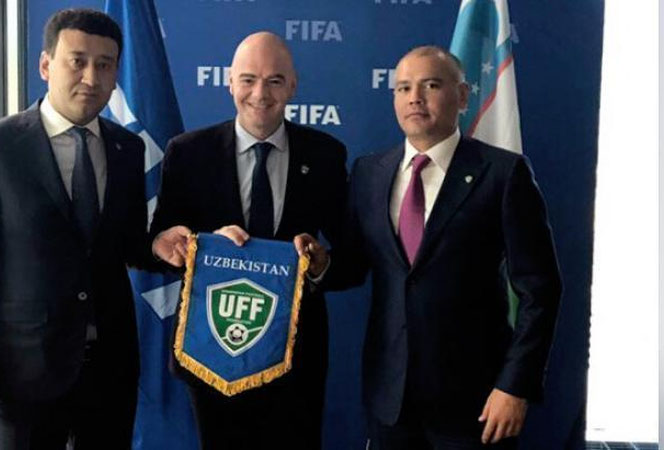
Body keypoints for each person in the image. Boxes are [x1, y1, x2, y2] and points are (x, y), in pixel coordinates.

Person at [0, 8, 149, 449]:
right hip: (22, 375)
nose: (91, 77)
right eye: (78, 61)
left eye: (104, 64)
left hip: (110, 371)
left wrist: (170, 246)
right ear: (46, 65)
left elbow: (128, 245)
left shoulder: (127, 149)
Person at [344, 46, 562, 449]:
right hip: (391, 401)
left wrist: (514, 386)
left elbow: (541, 290)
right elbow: (352, 266)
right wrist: (315, 261)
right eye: (403, 88)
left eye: (430, 85)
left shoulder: (502, 173)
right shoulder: (368, 173)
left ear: (462, 96)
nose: (414, 98)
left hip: (476, 403)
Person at [150, 31, 348, 450]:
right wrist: (197, 246)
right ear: (229, 83)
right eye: (248, 79)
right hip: (212, 350)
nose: (260, 93)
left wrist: (321, 264)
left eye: (275, 81)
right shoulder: (187, 152)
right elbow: (160, 242)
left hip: (295, 358)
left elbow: (356, 257)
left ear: (292, 86)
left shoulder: (325, 155)